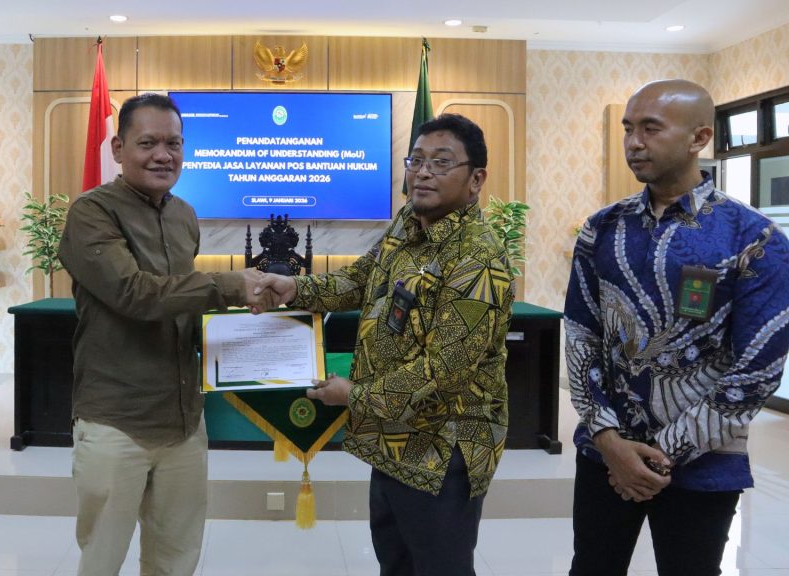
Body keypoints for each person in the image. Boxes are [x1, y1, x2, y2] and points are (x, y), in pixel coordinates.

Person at [256, 113, 515, 576]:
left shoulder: (478, 259)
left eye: (441, 162)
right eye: (416, 160)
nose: (423, 173)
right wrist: (295, 288)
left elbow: (442, 371)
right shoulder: (407, 223)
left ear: (476, 179)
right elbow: (361, 279)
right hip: (392, 438)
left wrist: (352, 396)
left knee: (440, 568)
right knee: (396, 563)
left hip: (444, 451)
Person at [564, 79, 789, 576]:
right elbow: (581, 336)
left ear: (699, 138)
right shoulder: (602, 229)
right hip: (605, 452)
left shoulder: (755, 239)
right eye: (628, 129)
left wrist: (658, 457)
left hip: (704, 462)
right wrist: (609, 441)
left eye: (650, 129)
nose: (634, 142)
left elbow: (757, 370)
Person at [57, 92, 274, 576]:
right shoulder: (91, 213)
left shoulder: (185, 216)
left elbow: (182, 308)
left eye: (174, 143)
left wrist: (258, 341)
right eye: (148, 143)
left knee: (176, 559)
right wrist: (230, 287)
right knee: (101, 559)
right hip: (117, 418)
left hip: (183, 422)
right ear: (118, 149)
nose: (163, 155)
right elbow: (134, 294)